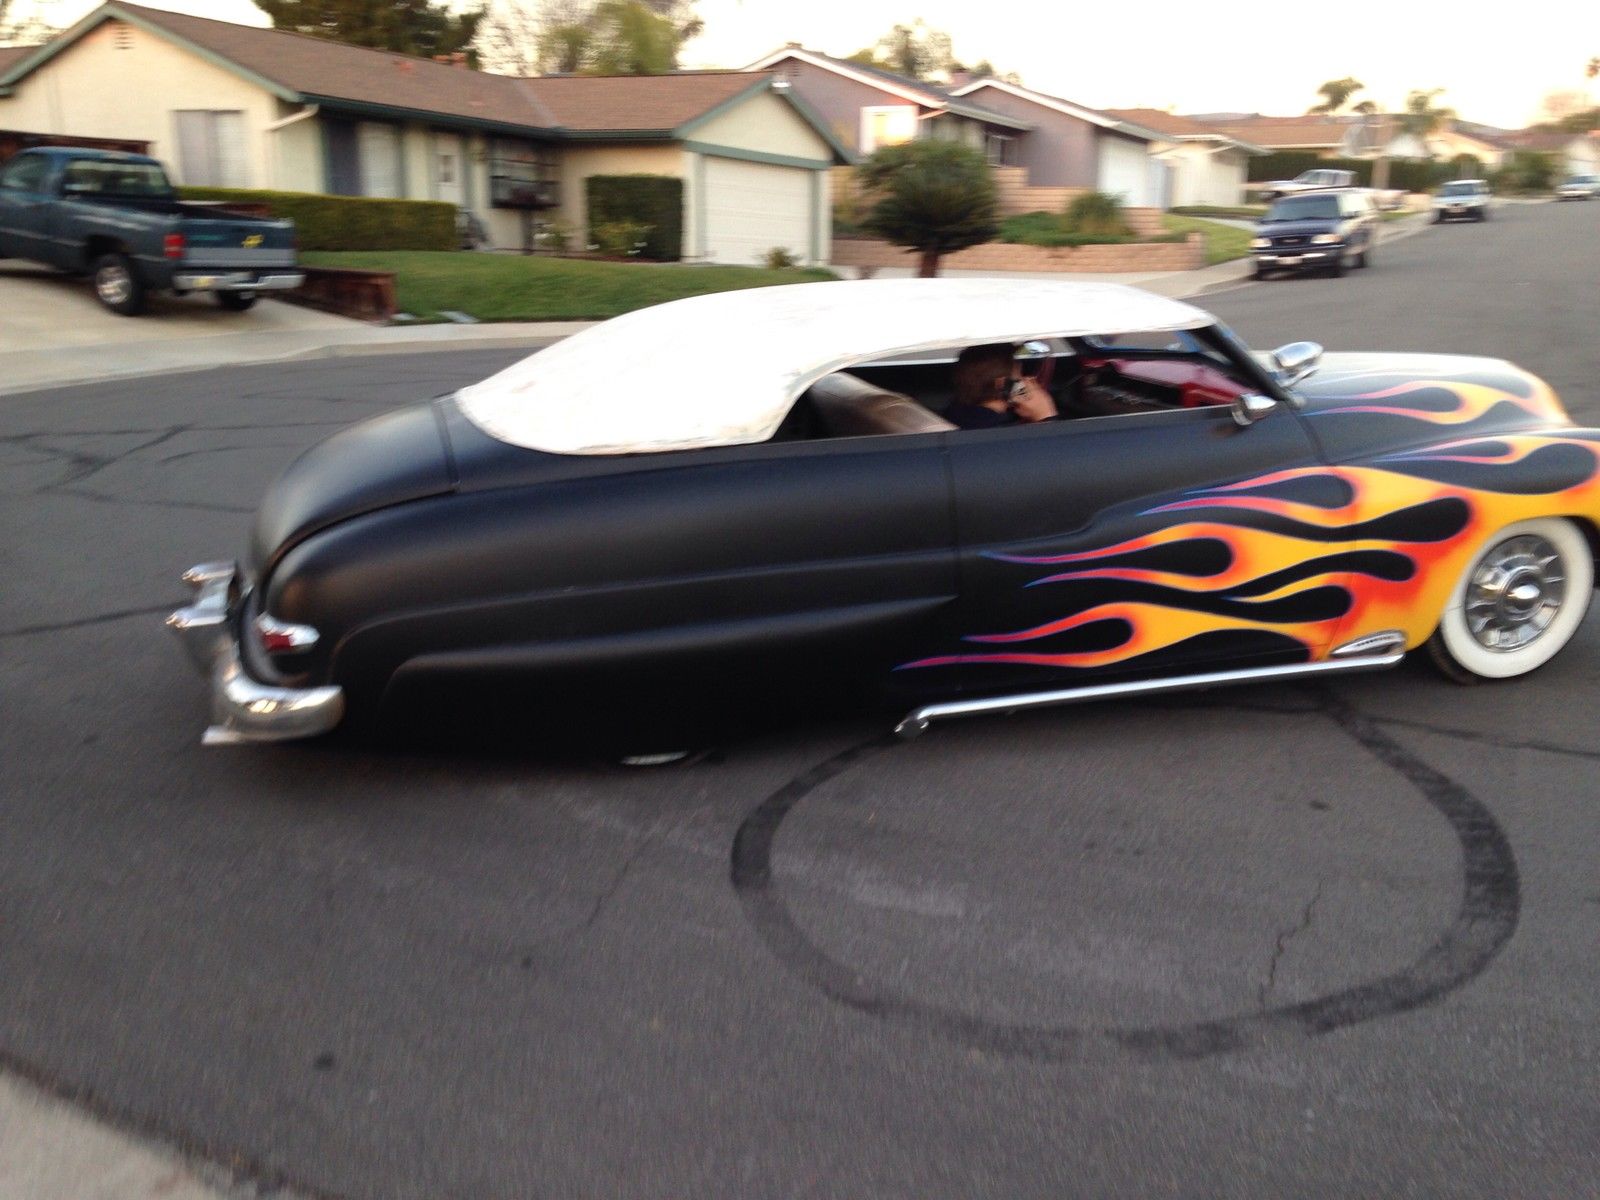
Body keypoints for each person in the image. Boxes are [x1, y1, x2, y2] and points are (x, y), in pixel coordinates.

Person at [946, 343, 1057, 429]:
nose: (1028, 380)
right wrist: (1045, 416)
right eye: (1019, 374)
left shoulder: (955, 416)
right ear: (1004, 385)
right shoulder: (1003, 432)